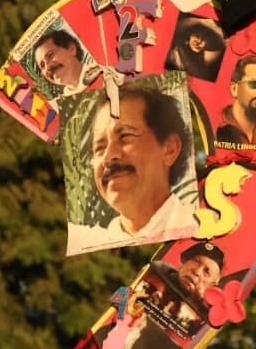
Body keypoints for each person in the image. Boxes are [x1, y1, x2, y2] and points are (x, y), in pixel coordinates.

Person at [69, 85, 197, 252]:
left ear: (169, 149)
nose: (109, 157)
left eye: (126, 137)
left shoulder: (200, 226)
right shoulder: (86, 243)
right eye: (99, 148)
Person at [165, 14, 226, 82]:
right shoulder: (177, 47)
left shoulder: (197, 65)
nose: (199, 42)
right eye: (198, 36)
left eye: (203, 43)